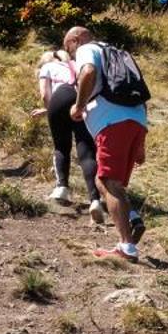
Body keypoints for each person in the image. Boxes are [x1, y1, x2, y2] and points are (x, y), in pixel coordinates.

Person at [67, 26, 146, 261]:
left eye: (68, 47)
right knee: (113, 183)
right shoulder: (118, 54)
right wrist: (141, 144)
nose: (70, 54)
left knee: (106, 181)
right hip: (137, 120)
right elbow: (140, 91)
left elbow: (88, 72)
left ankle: (126, 246)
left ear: (75, 40)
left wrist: (79, 106)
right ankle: (130, 223)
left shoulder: (87, 49)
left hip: (112, 122)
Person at [34, 47, 102, 217]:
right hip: (81, 99)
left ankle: (61, 188)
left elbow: (45, 95)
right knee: (86, 151)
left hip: (60, 96)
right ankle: (95, 199)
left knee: (61, 146)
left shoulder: (48, 67)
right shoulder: (77, 64)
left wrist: (50, 110)